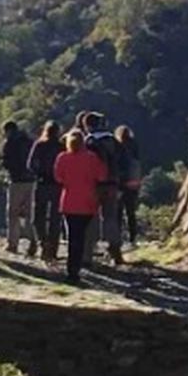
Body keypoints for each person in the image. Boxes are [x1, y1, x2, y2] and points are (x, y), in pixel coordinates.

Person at [53, 129, 106, 285]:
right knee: (81, 237)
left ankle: (71, 270)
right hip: (87, 202)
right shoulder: (91, 158)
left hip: (69, 201)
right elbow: (101, 176)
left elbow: (58, 177)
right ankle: (76, 267)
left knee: (72, 237)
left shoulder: (62, 157)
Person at [81, 112, 129, 264]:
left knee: (91, 219)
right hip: (112, 184)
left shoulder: (88, 142)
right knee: (110, 218)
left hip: (93, 185)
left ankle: (88, 253)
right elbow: (125, 163)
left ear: (88, 125)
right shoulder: (113, 141)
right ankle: (116, 253)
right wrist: (122, 184)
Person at [27, 120, 62, 261]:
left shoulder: (39, 145)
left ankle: (43, 242)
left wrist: (39, 173)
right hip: (58, 185)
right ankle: (53, 249)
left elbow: (30, 164)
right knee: (55, 218)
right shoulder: (61, 146)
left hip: (42, 183)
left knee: (38, 217)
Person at [1, 120, 35, 254]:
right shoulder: (29, 141)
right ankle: (33, 241)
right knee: (29, 214)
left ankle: (13, 244)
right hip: (31, 180)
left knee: (13, 213)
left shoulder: (10, 143)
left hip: (16, 180)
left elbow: (6, 162)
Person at [116, 124, 143, 246]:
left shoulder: (118, 147)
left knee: (118, 212)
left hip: (121, 183)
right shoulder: (135, 146)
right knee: (131, 212)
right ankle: (133, 237)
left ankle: (118, 237)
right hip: (133, 182)